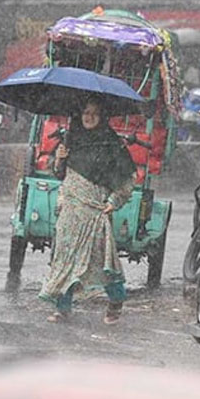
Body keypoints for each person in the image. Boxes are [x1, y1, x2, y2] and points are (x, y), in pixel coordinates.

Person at [39, 96, 137, 324]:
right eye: (85, 113)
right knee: (64, 257)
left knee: (102, 259)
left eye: (94, 113)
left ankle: (116, 300)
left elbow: (127, 178)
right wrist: (59, 160)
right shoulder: (70, 139)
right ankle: (63, 308)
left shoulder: (111, 143)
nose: (89, 117)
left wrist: (115, 201)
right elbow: (59, 174)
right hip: (70, 210)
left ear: (102, 116)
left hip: (95, 211)